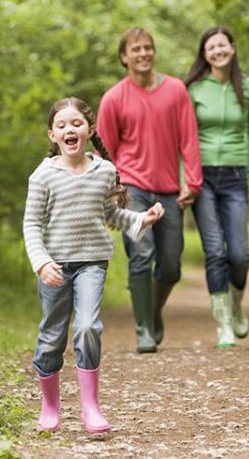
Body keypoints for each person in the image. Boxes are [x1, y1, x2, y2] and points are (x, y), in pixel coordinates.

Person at [23, 97, 164, 434]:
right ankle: (50, 406)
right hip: (54, 266)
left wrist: (142, 219)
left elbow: (111, 214)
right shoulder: (42, 176)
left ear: (88, 130)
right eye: (61, 125)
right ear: (52, 135)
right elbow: (31, 224)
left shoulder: (104, 171)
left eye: (76, 123)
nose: (69, 129)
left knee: (88, 327)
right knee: (52, 337)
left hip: (92, 262)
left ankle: (90, 407)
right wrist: (41, 263)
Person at [97, 27, 203, 354]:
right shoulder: (114, 98)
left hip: (169, 190)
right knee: (142, 254)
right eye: (135, 49)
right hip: (132, 189)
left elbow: (189, 138)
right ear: (124, 57)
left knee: (171, 264)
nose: (143, 53)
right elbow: (104, 151)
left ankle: (152, 312)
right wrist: (111, 193)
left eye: (148, 48)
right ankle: (143, 329)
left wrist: (193, 182)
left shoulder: (175, 90)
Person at [184, 26, 249, 348]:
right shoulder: (194, 89)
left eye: (222, 45)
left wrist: (246, 162)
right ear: (204, 54)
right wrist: (185, 177)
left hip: (234, 176)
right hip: (202, 177)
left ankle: (236, 305)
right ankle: (223, 325)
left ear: (232, 48)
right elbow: (184, 136)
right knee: (215, 251)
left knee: (239, 254)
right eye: (211, 47)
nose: (217, 51)